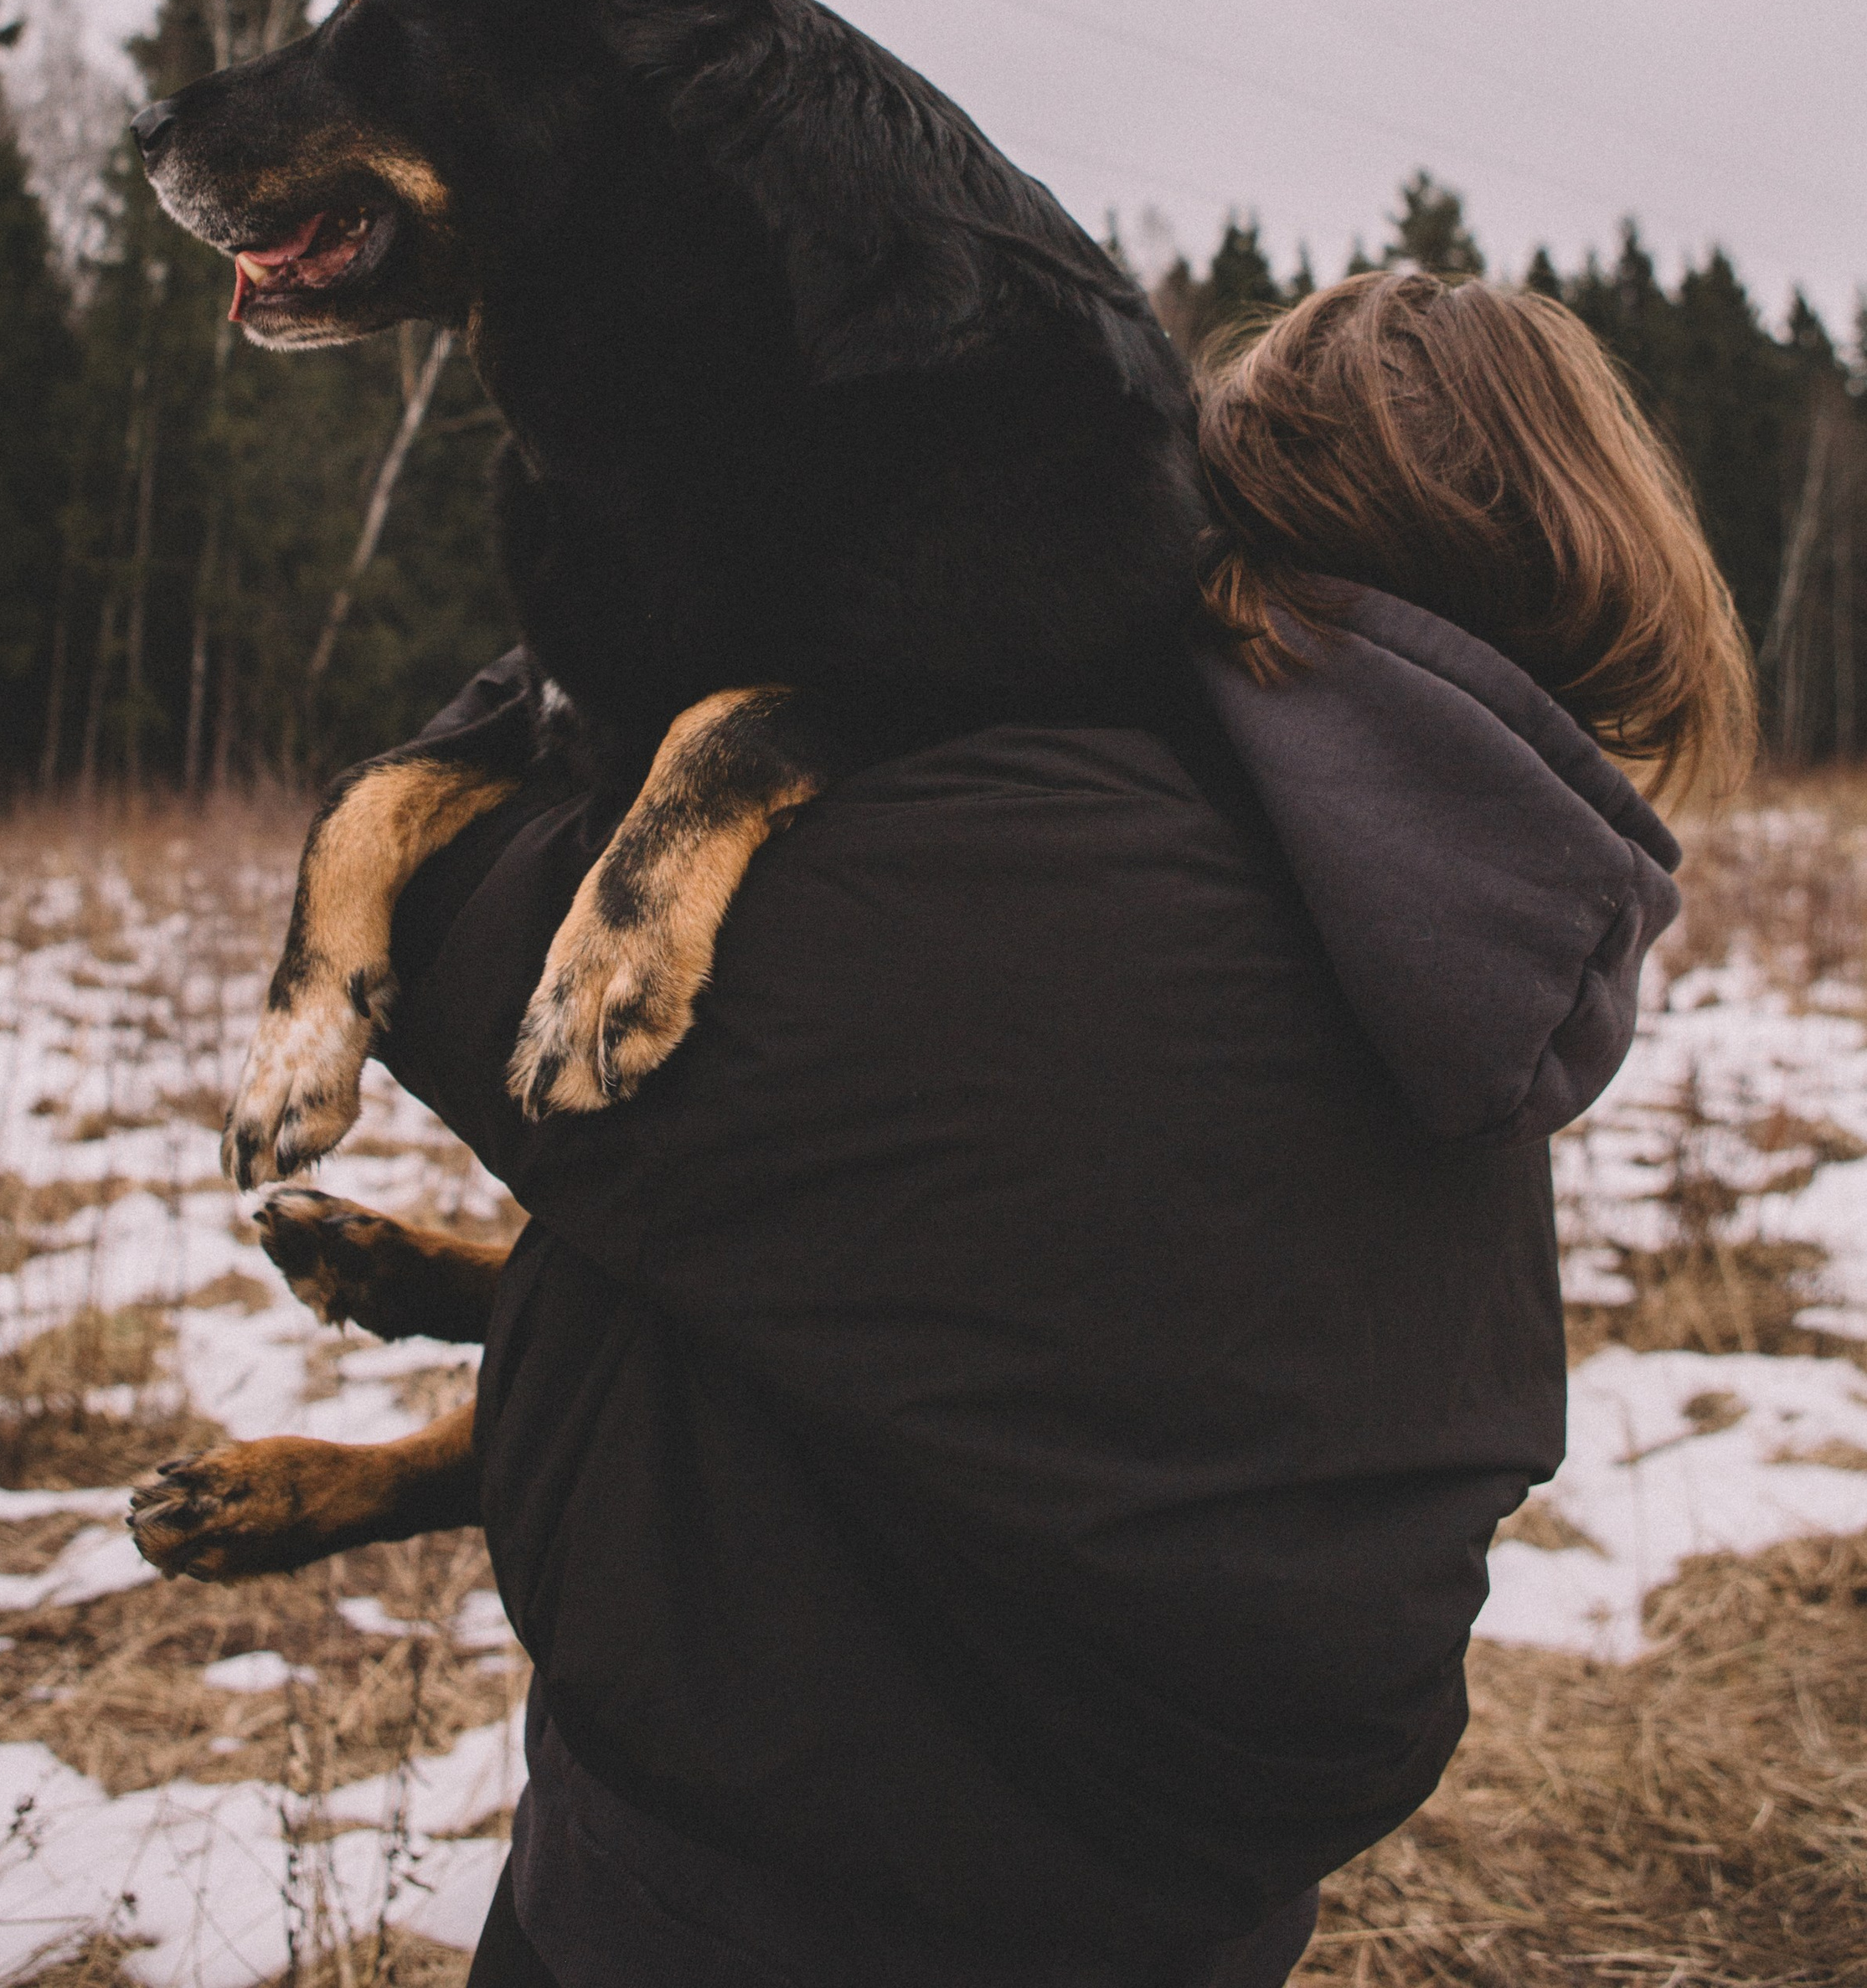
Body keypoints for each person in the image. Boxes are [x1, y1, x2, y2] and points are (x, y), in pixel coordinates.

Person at [376, 270, 1754, 1988]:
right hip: (1188, 1908)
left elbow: (428, 923)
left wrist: (671, 592)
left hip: (738, 1905)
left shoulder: (1038, 843)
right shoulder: (1500, 913)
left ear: (1217, 511)